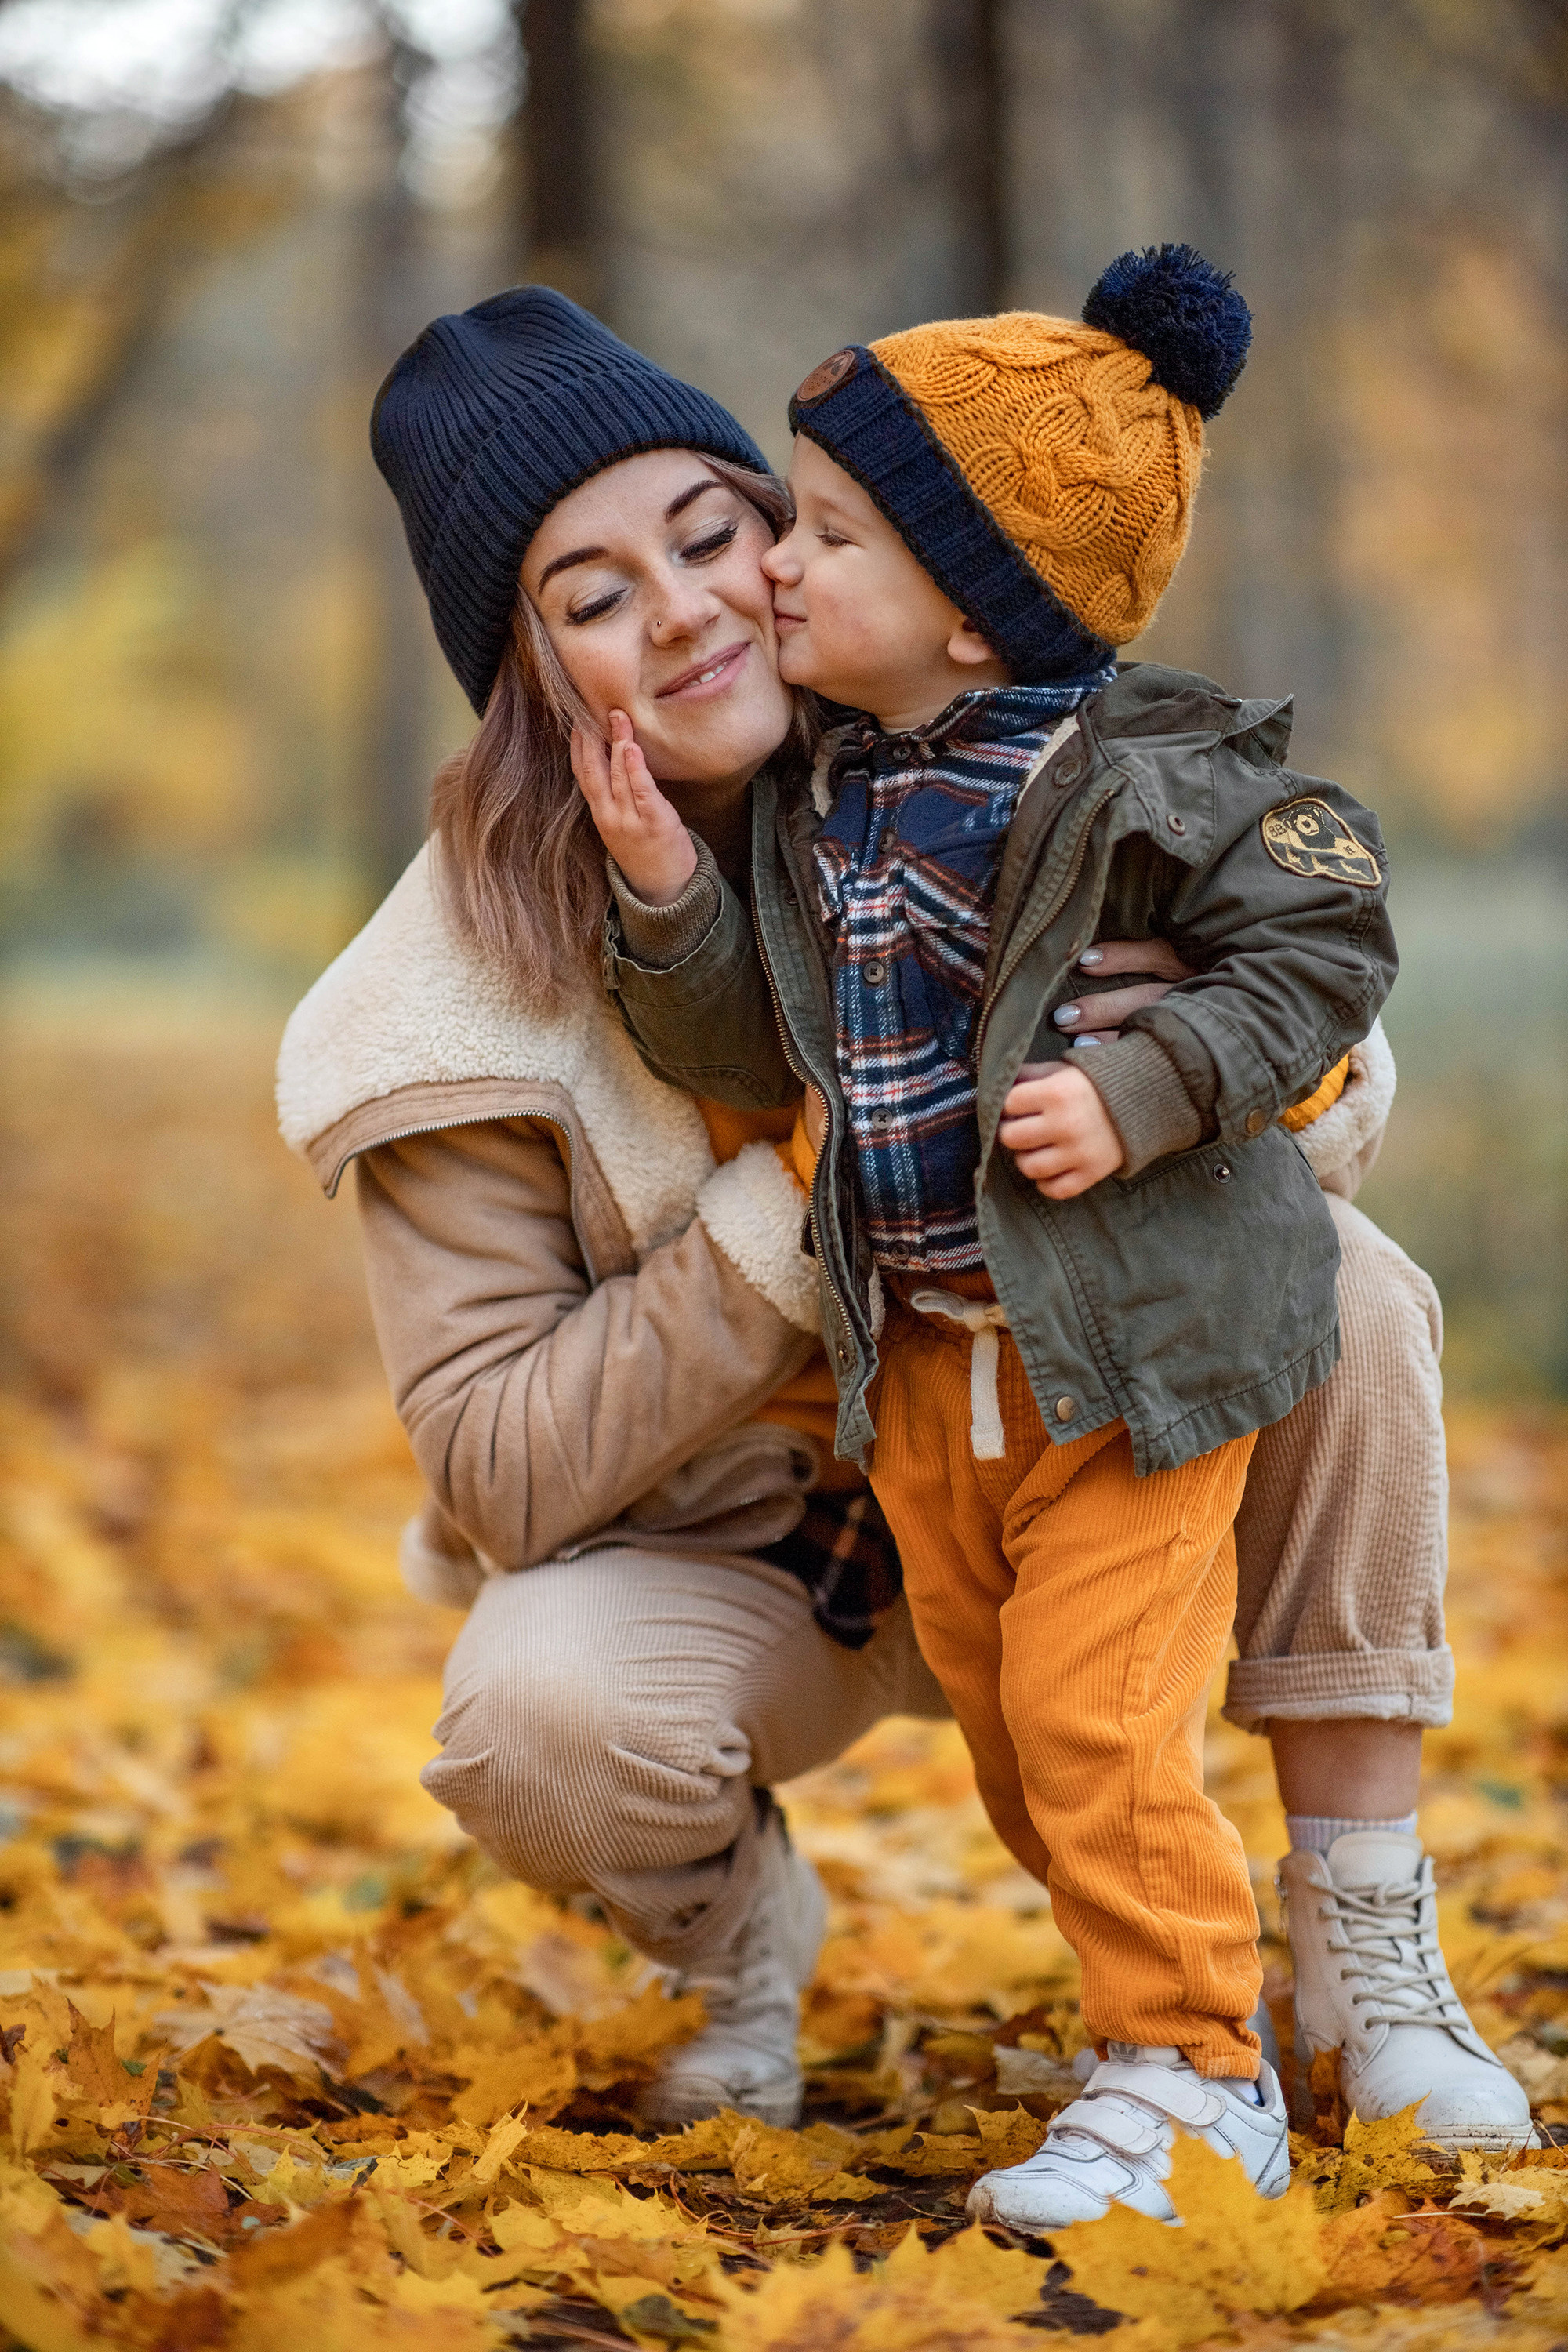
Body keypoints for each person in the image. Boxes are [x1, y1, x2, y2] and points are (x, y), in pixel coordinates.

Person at [274, 283, 1526, 2166]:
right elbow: (497, 1469)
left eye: (718, 531)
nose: (692, 605)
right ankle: (738, 1953)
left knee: (1348, 1294)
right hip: (779, 1558)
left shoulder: (962, 747)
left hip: (1083, 1432)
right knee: (538, 1712)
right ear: (525, 667)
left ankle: (1355, 1953)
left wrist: (1193, 1066)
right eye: (596, 594)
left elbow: (1322, 1041)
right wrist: (805, 1195)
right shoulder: (442, 1006)